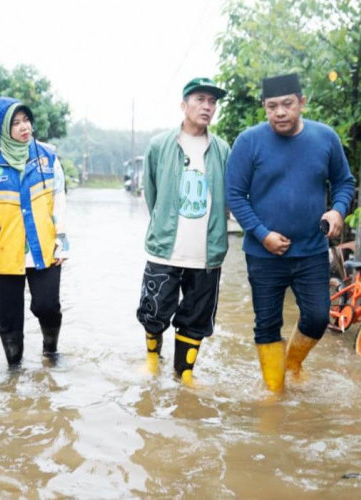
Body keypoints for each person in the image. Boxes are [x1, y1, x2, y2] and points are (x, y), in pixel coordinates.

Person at [226, 73, 355, 394]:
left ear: (301, 103)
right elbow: (234, 194)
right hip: (263, 253)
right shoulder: (249, 142)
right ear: (264, 107)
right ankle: (274, 392)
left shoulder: (325, 138)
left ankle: (293, 363)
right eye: (272, 107)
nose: (280, 112)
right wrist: (261, 233)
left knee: (316, 316)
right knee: (267, 324)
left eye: (287, 104)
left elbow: (344, 182)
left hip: (311, 249)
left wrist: (337, 209)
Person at [137, 77, 231, 385]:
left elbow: (228, 197)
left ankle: (185, 375)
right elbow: (151, 190)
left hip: (206, 253)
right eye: (200, 99)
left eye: (212, 102)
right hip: (166, 248)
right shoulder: (161, 145)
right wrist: (164, 223)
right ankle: (152, 358)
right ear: (183, 105)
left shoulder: (222, 149)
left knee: (197, 317)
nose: (207, 107)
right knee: (154, 309)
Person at [0, 97, 68, 368]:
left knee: (47, 306)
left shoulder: (47, 157)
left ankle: (50, 350)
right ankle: (14, 371)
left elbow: (59, 201)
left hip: (44, 248)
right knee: (9, 319)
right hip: (4, 250)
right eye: (16, 123)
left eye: (26, 120)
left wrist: (62, 241)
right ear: (1, 129)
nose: (25, 127)